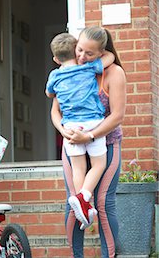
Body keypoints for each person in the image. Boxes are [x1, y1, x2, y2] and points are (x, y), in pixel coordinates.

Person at [51, 26, 126, 258]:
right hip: (73, 140)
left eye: (89, 54)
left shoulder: (113, 73)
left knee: (103, 203)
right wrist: (63, 130)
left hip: (105, 142)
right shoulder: (70, 71)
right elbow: (55, 110)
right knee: (72, 203)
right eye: (79, 50)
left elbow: (117, 116)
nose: (82, 57)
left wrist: (90, 135)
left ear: (101, 53)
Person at [45, 33, 115, 229]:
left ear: (56, 59)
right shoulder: (88, 68)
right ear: (76, 53)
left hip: (70, 127)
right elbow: (110, 58)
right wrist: (100, 52)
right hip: (93, 122)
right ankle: (84, 196)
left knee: (78, 168)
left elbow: (49, 93)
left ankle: (81, 204)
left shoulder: (55, 75)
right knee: (98, 165)